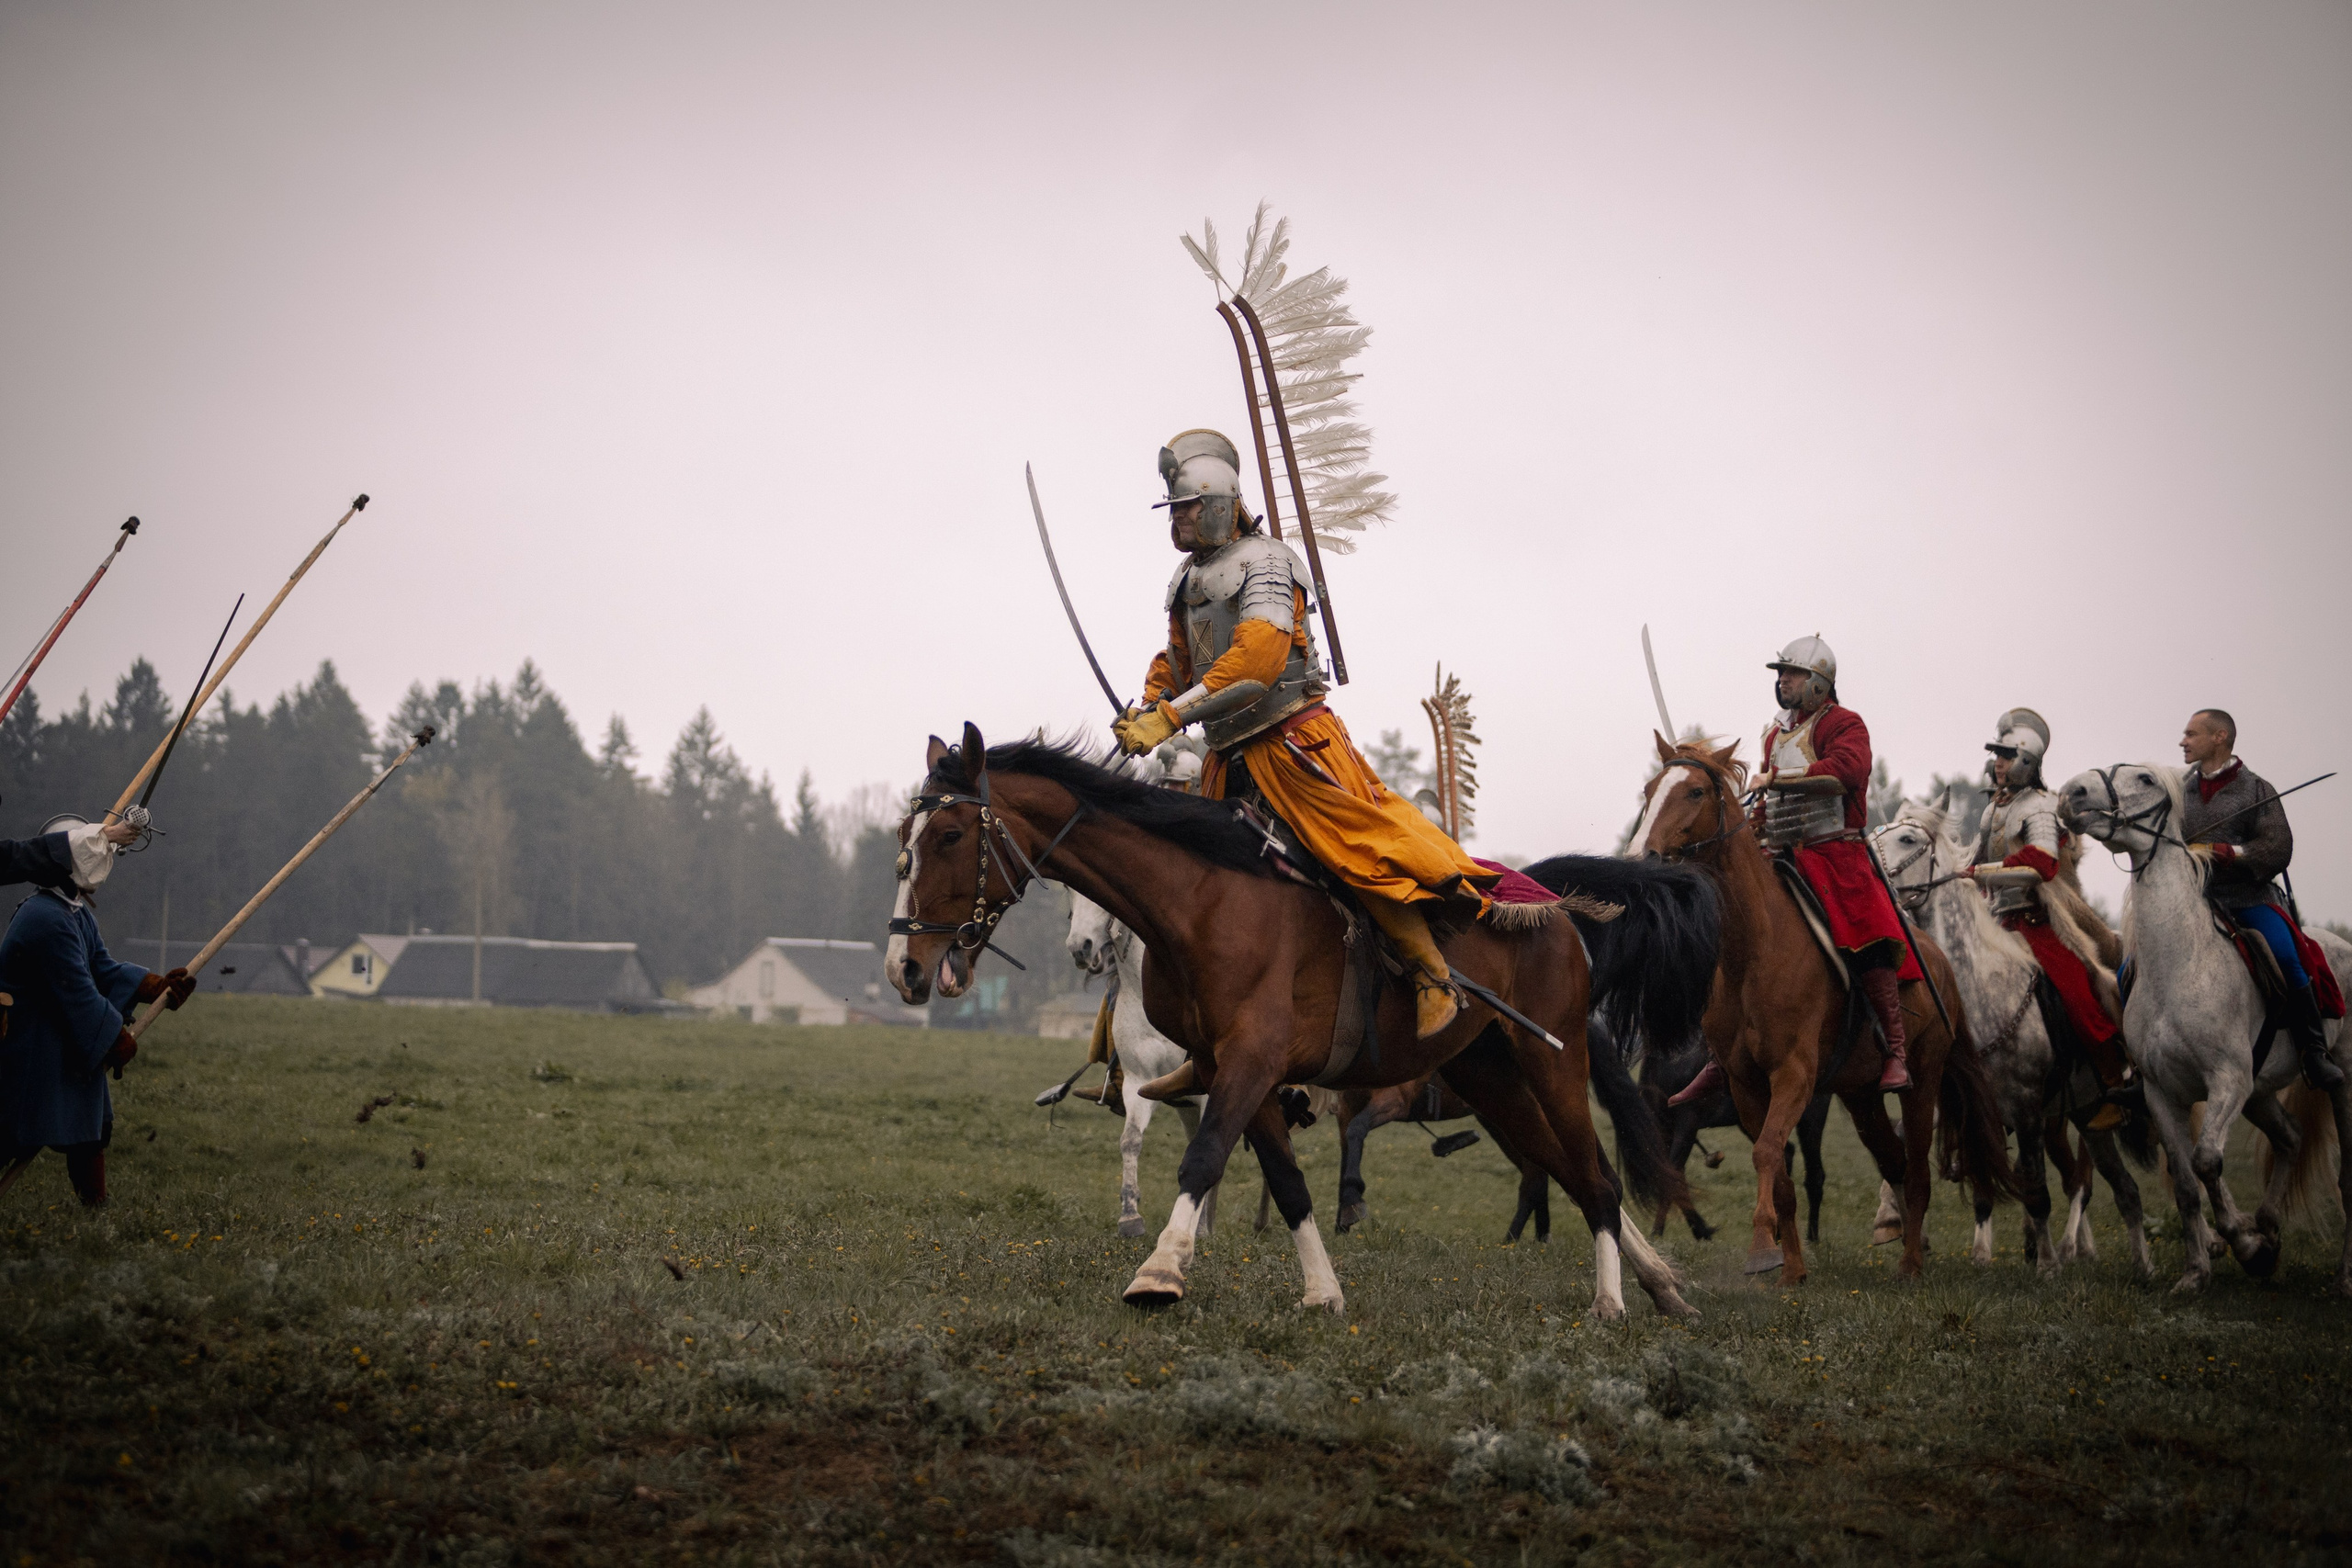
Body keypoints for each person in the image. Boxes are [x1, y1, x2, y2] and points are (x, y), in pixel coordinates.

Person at [1109, 429, 1495, 1040]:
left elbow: (1256, 662)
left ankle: (1430, 976)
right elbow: (1182, 662)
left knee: (1354, 854)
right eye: (1171, 511)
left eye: (1184, 509)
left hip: (1293, 743)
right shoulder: (1188, 580)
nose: (1175, 522)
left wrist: (1172, 716)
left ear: (1216, 504)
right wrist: (1150, 704)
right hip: (1226, 755)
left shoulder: (1266, 563)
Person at [1670, 635, 1918, 1107]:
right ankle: (1721, 1055)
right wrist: (1751, 826)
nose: (1781, 681)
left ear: (1819, 682)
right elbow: (1769, 802)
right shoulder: (1775, 733)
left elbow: (1843, 774)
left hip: (1835, 854)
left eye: (1791, 673)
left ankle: (1895, 1048)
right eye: (1780, 674)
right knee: (1728, 929)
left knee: (1865, 932)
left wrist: (1777, 778)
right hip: (1779, 852)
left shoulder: (1846, 724)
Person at [1953, 708, 2133, 1126]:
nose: (1996, 762)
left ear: (2026, 761)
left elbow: (2042, 866)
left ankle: (2116, 1077)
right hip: (1999, 920)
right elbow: (1975, 858)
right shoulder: (1992, 810)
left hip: (2040, 920)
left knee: (2075, 987)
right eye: (1995, 755)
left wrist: (1978, 873)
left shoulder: (2039, 807)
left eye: (2004, 755)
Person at [0, 812, 191, 1206]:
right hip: (29, 1043)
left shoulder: (72, 910)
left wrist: (155, 986)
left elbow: (102, 968)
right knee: (12, 1128)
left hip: (55, 1036)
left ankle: (95, 1208)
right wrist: (113, 1037)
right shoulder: (43, 917)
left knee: (88, 1120)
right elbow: (78, 993)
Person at [2177, 708, 2344, 1090]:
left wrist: (2227, 852)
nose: (2182, 741)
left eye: (2191, 733)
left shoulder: (2257, 789)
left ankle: (2313, 1051)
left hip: (2247, 898)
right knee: (2132, 966)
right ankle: (2140, 1065)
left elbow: (2276, 847)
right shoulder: (2179, 788)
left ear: (2220, 737)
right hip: (2195, 902)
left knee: (2287, 956)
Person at [1, 813, 140, 890]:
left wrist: (104, 837)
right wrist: (104, 836)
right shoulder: (42, 912)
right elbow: (17, 859)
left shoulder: (76, 912)